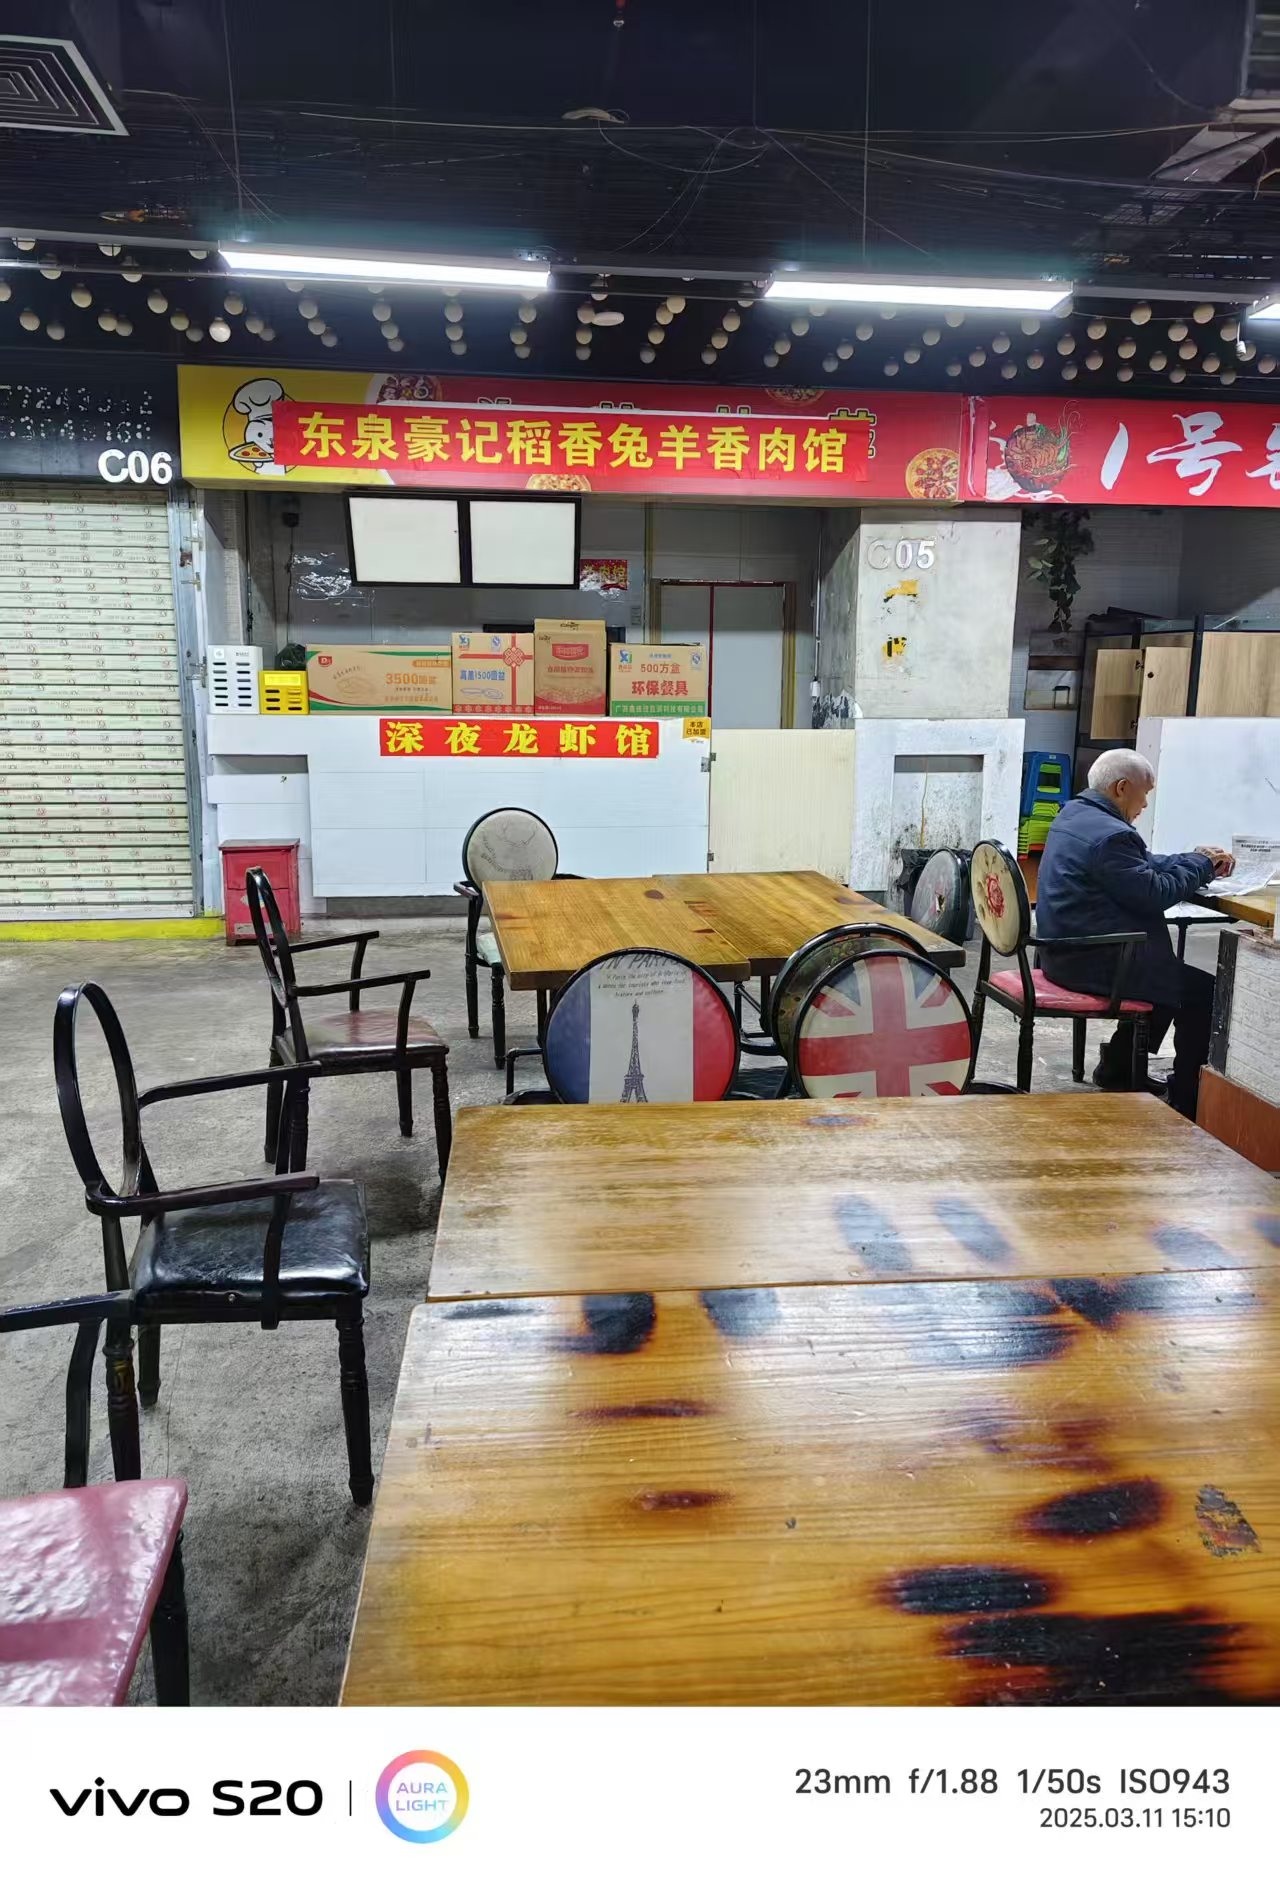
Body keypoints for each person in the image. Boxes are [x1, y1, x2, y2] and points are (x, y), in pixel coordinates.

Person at [1034, 749, 1234, 1118]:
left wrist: (1194, 859)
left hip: (1063, 952)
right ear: (1122, 787)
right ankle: (1187, 1096)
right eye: (1145, 793)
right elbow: (1155, 893)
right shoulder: (1111, 835)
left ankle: (1119, 1068)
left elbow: (1142, 865)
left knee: (1168, 977)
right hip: (1094, 961)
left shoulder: (1076, 814)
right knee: (1203, 993)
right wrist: (1201, 866)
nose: (1144, 804)